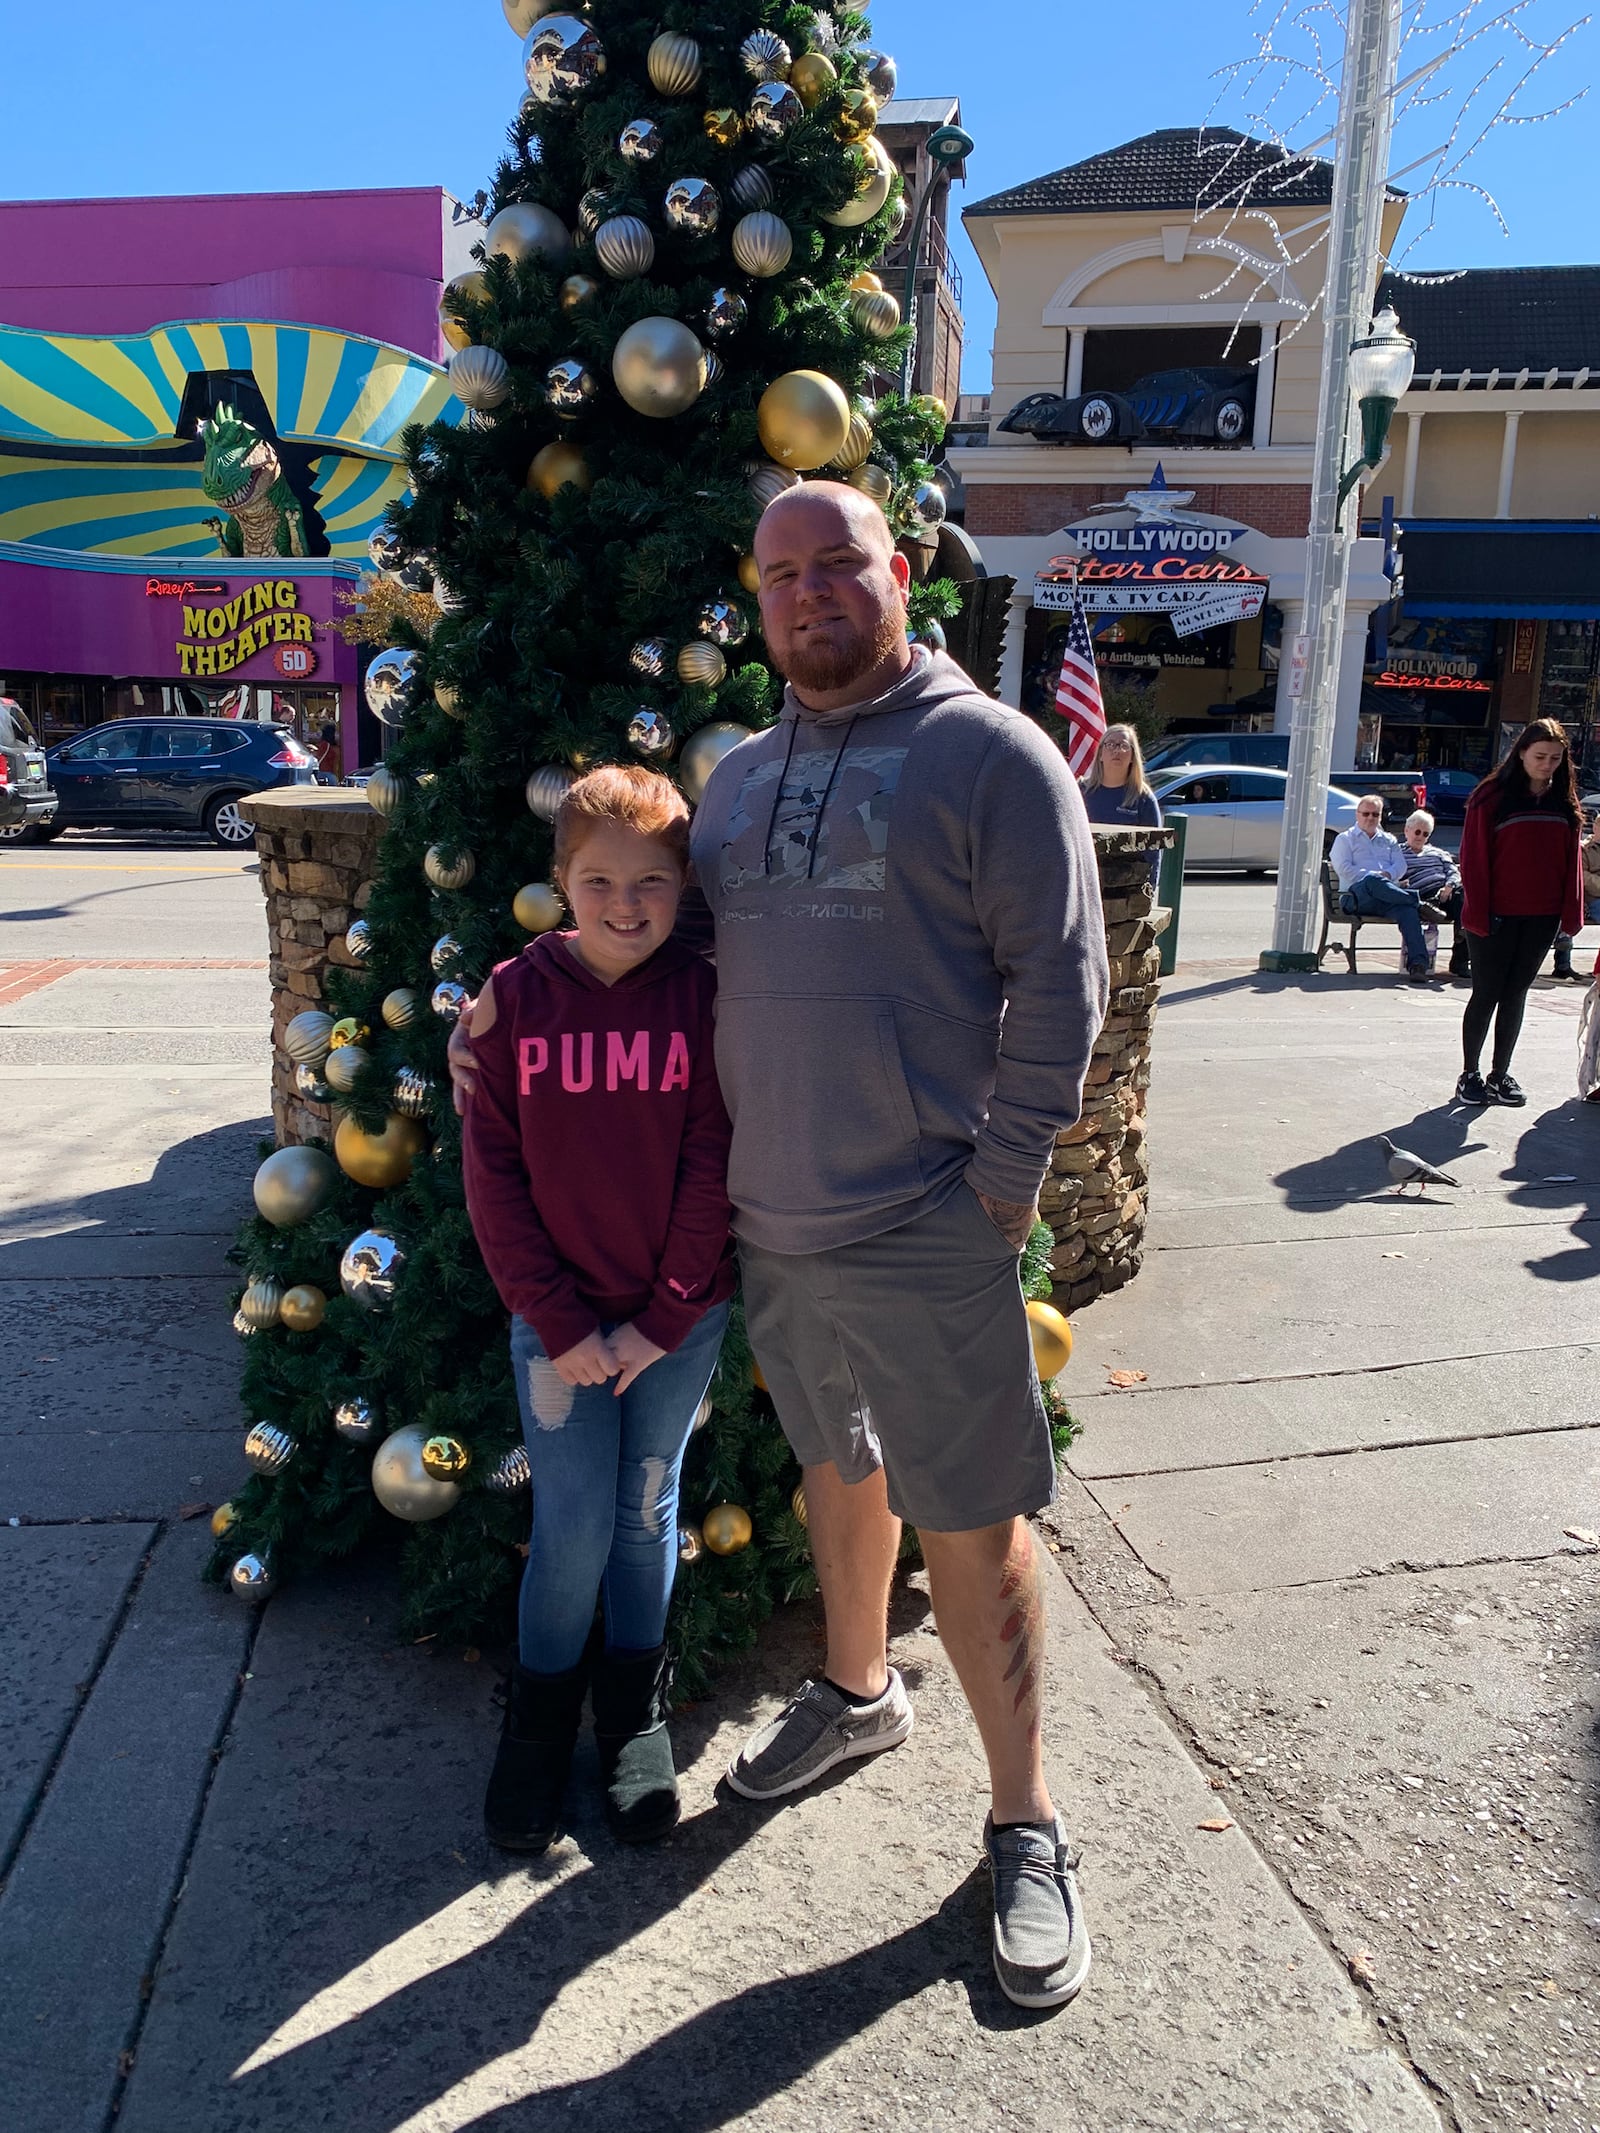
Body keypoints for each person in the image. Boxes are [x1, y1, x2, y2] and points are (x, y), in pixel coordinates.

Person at [453, 483, 1108, 2013]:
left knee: (975, 1512)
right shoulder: (735, 782)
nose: (811, 591)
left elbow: (1062, 983)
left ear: (900, 574)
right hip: (774, 1232)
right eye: (782, 573)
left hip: (929, 1223)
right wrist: (516, 990)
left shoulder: (991, 757)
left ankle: (1027, 1824)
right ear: (758, 600)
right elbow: (657, 941)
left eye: (840, 565)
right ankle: (860, 1690)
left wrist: (998, 1193)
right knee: (841, 1466)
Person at [461, 765, 735, 1854]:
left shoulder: (705, 999)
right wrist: (562, 1324)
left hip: (677, 1324)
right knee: (572, 1523)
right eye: (599, 880)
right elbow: (492, 1176)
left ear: (684, 887)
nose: (627, 904)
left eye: (654, 884)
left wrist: (662, 1316)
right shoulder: (510, 1003)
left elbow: (715, 1161)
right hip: (558, 1333)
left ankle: (632, 1719)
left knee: (645, 1512)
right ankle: (534, 1734)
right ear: (559, 882)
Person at [1455, 717, 1584, 1107]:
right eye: (1540, 756)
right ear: (1521, 753)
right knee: (1487, 993)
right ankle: (1470, 1074)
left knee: (1516, 994)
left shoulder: (1564, 801)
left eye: (1555, 758)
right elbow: (1472, 861)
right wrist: (1478, 914)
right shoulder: (1490, 797)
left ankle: (1500, 1074)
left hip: (1541, 917)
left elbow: (1571, 863)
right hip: (1494, 915)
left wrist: (1570, 916)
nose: (1547, 765)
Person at [1329, 795, 1433, 980]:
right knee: (1372, 881)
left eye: (1375, 814)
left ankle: (1418, 966)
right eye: (1366, 814)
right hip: (1355, 898)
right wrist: (1376, 877)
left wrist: (1387, 877)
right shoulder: (1345, 839)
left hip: (1388, 897)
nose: (1370, 818)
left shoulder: (1389, 840)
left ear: (1380, 816)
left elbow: (1400, 867)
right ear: (1357, 815)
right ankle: (1417, 902)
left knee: (1407, 911)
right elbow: (1345, 870)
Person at [1400, 808, 1470, 979]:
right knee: (1462, 909)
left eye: (1425, 834)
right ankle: (1463, 927)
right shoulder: (1397, 853)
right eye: (1417, 832)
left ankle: (1460, 961)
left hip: (1446, 893)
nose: (1420, 837)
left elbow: (1453, 871)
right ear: (1406, 830)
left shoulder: (1438, 853)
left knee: (1466, 902)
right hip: (1421, 897)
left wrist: (1449, 885)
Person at [1080, 724, 1162, 832]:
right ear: (1100, 754)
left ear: (1133, 756)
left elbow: (1153, 846)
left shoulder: (1144, 799)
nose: (1116, 750)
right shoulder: (1081, 791)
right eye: (1110, 744)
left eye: (1124, 746)